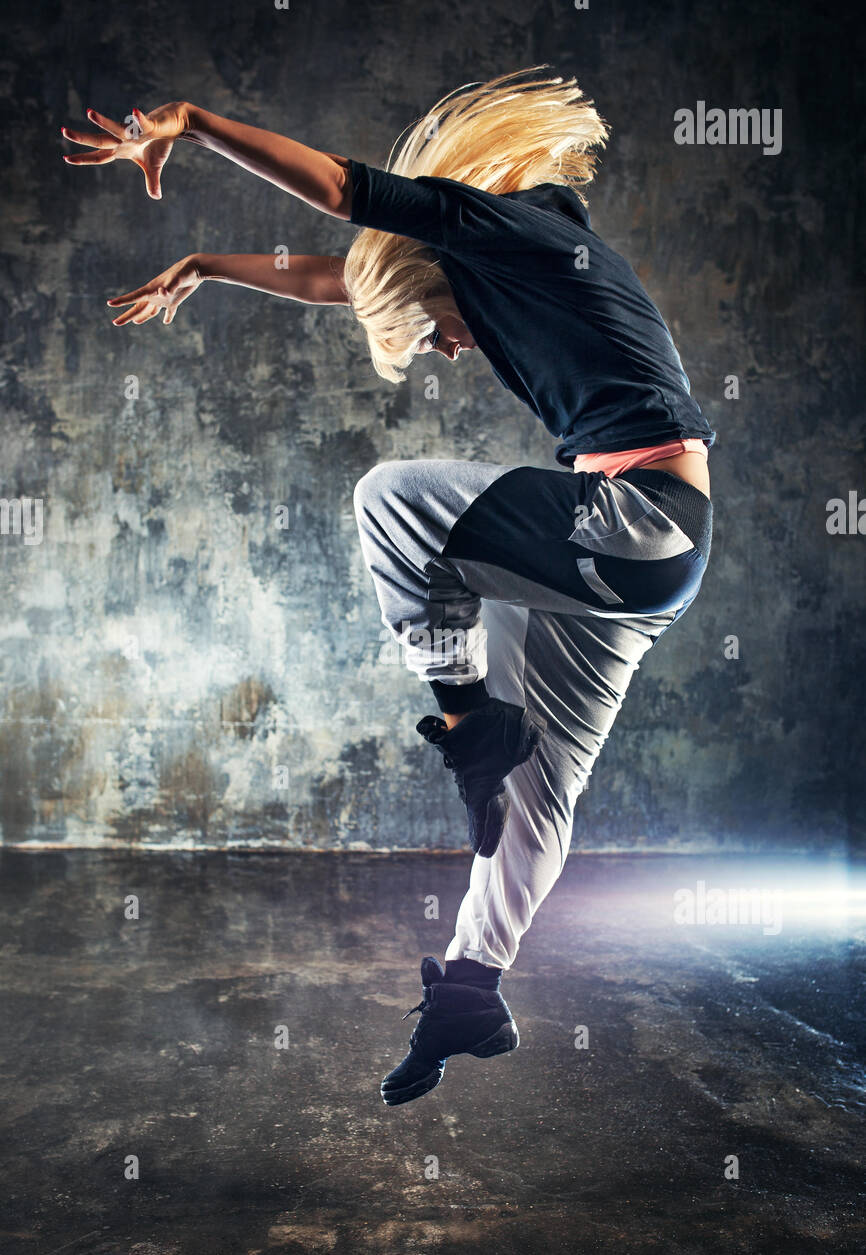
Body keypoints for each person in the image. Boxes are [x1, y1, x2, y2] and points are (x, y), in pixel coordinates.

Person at [62, 68, 715, 1107]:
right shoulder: (522, 269)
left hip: (632, 525)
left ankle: (464, 719)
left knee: (392, 500)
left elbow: (341, 191)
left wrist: (189, 125)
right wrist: (209, 266)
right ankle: (469, 988)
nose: (448, 348)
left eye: (433, 331)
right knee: (531, 799)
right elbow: (342, 274)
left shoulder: (502, 232)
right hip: (639, 566)